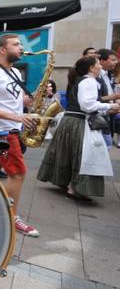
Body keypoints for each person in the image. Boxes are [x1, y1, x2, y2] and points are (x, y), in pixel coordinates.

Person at [0, 34, 39, 237]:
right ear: (2, 50)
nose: (21, 48)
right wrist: (16, 117)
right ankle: (11, 216)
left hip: (10, 128)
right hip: (0, 131)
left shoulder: (15, 73)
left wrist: (36, 96)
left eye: (20, 44)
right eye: (16, 44)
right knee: (18, 173)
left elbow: (19, 101)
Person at [38, 56, 119, 200]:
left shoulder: (85, 81)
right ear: (91, 68)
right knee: (84, 155)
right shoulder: (89, 82)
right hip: (79, 122)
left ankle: (69, 185)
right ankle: (75, 188)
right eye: (98, 63)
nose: (100, 66)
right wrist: (109, 106)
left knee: (70, 154)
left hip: (73, 121)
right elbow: (87, 105)